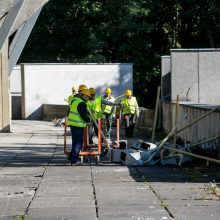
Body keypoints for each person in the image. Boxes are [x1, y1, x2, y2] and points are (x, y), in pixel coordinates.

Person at [67, 88, 91, 165]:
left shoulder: (74, 100)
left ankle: (71, 157)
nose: (88, 99)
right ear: (83, 95)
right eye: (87, 97)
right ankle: (74, 160)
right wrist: (89, 119)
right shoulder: (81, 103)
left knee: (75, 142)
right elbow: (84, 116)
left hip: (72, 124)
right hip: (78, 125)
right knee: (78, 143)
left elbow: (69, 112)